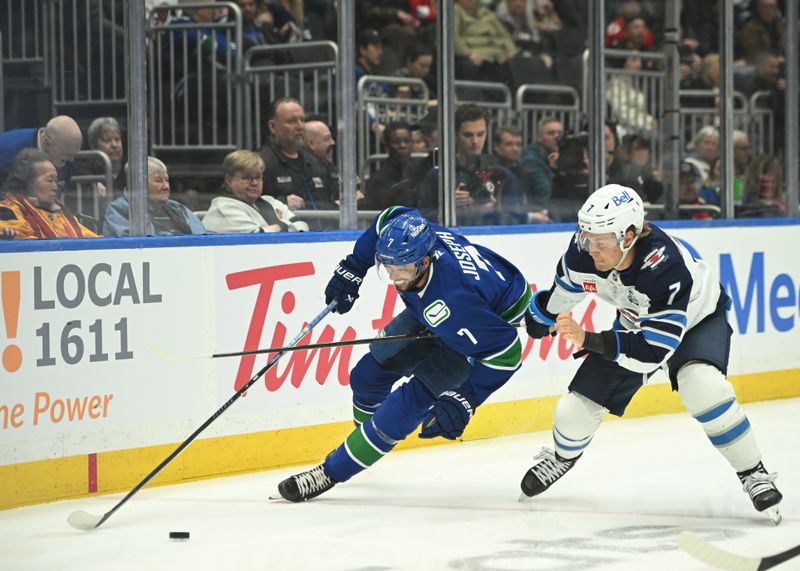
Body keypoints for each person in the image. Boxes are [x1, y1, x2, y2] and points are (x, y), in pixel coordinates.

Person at [518, 184, 783, 525]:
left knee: (703, 386)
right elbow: (565, 293)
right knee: (572, 411)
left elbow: (651, 352)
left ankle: (753, 472)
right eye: (587, 237)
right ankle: (562, 456)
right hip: (635, 324)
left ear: (628, 235)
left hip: (697, 322)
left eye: (602, 242)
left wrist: (587, 338)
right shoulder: (582, 252)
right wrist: (543, 317)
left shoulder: (664, 265)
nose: (591, 249)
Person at [276, 206, 532, 502]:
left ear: (424, 262)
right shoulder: (416, 237)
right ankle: (364, 442)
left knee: (406, 404)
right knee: (366, 377)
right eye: (387, 267)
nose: (395, 277)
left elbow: (507, 352)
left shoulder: (456, 301)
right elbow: (391, 215)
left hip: (481, 321)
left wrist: (468, 397)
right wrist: (355, 266)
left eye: (403, 269)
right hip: (447, 306)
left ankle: (332, 471)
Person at [258, 97, 339, 229]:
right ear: (272, 126)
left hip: (325, 239)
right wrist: (281, 202)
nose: (300, 126)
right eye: (291, 121)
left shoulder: (314, 162)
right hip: (287, 241)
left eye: (302, 120)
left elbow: (331, 200)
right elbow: (249, 204)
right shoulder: (261, 163)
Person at [0, 148, 99, 239]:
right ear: (27, 182)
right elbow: (21, 243)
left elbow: (90, 239)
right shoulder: (8, 211)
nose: (55, 187)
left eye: (56, 181)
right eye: (49, 180)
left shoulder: (60, 213)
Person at [203, 150, 308, 233]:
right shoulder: (223, 206)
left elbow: (302, 225)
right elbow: (257, 237)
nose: (254, 183)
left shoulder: (270, 201)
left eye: (258, 177)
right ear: (229, 180)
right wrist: (284, 225)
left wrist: (275, 228)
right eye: (246, 178)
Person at [103, 157, 206, 236]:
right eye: (159, 180)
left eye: (167, 180)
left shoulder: (177, 208)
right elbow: (131, 245)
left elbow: (203, 237)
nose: (166, 186)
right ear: (139, 183)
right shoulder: (118, 210)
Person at [0, 115, 83, 190]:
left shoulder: (64, 157)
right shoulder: (8, 149)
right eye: (67, 155)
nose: (71, 159)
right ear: (47, 142)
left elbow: (58, 192)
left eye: (73, 154)